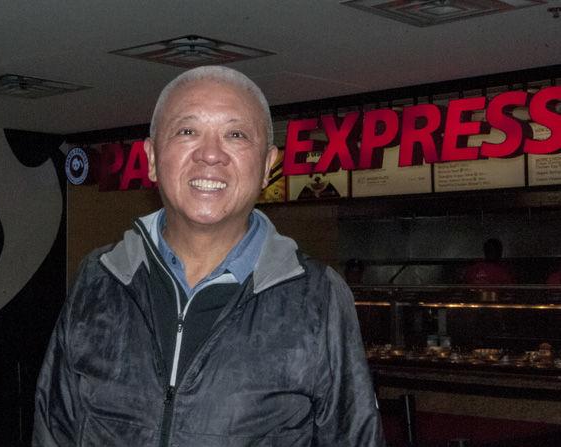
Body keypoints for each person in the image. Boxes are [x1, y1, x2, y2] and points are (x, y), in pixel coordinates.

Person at [33, 66, 384, 446]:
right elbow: (54, 430)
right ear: (151, 158)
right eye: (187, 131)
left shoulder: (317, 296)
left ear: (268, 166)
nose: (211, 154)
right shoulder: (100, 278)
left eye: (235, 134)